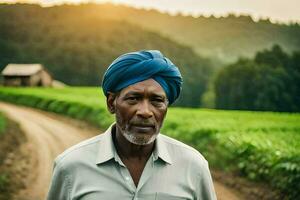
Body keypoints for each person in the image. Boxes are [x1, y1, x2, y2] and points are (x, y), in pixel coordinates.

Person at [47, 50, 217, 200]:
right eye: (133, 98)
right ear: (112, 103)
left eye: (156, 100)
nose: (145, 112)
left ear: (166, 107)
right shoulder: (70, 166)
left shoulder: (193, 166)